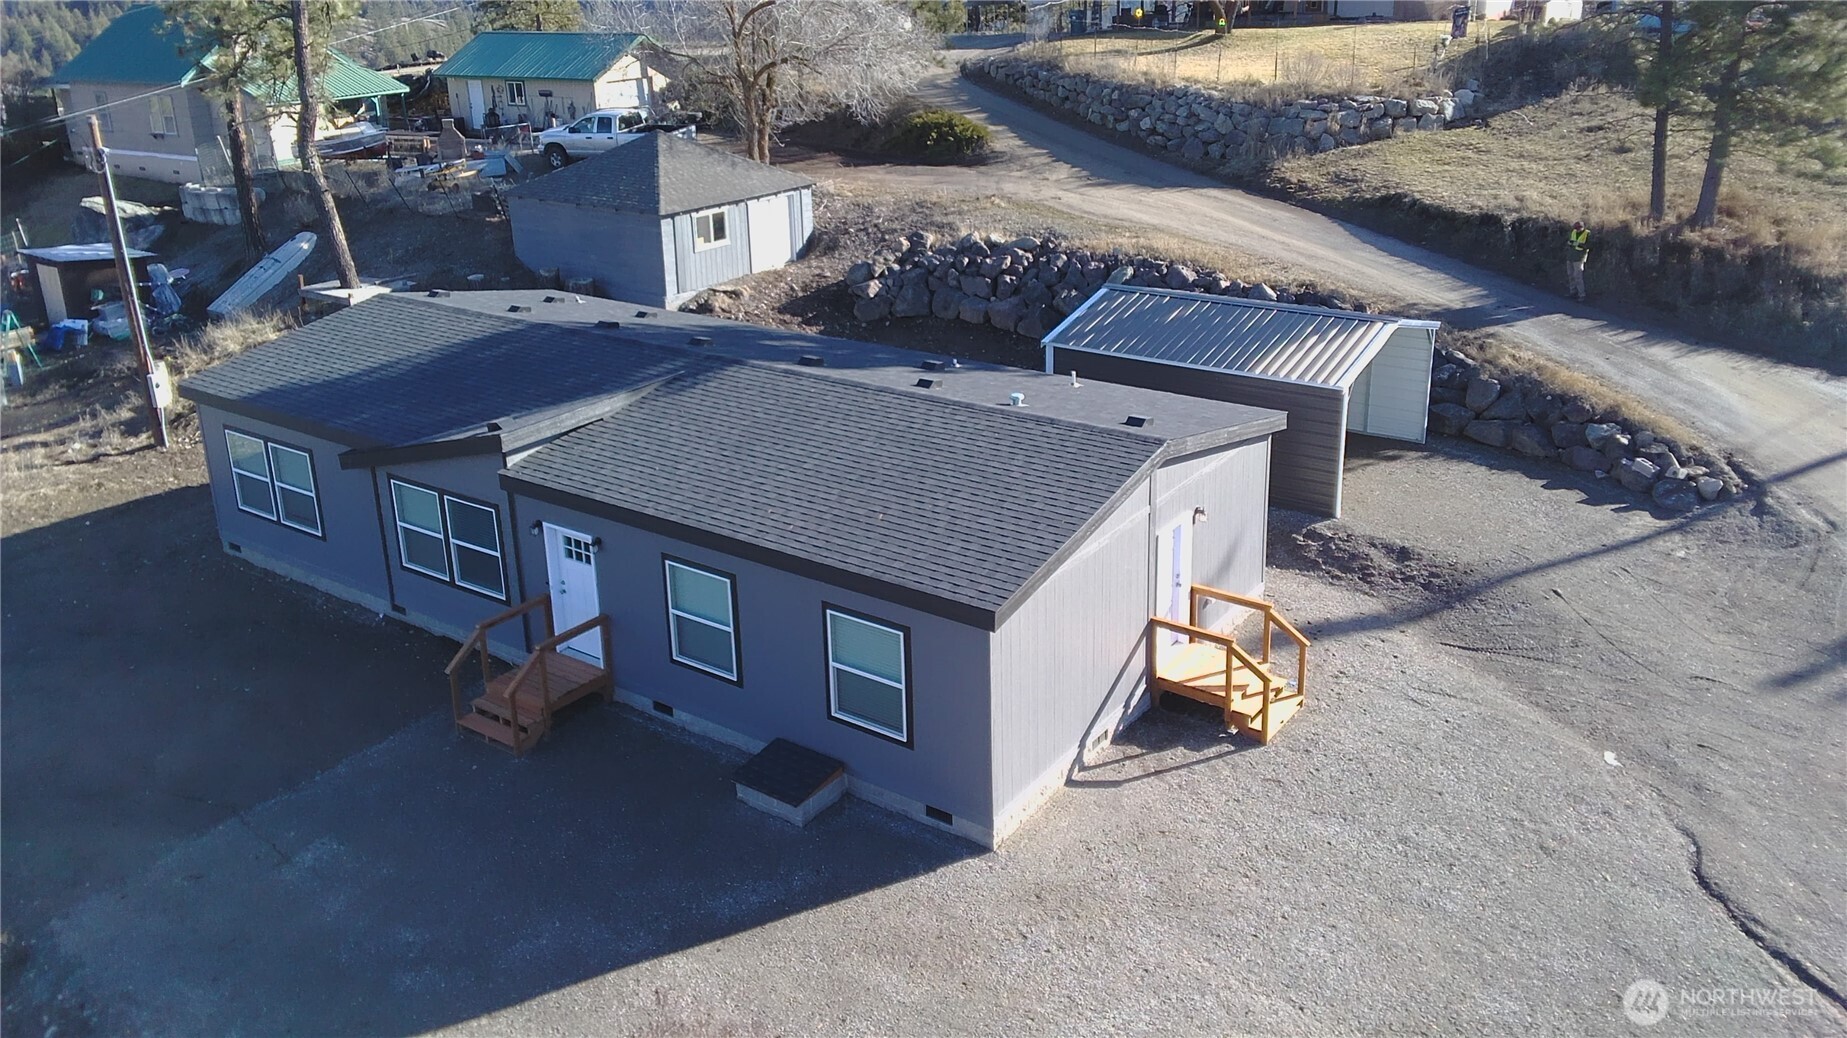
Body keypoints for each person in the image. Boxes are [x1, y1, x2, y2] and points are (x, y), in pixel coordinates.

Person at [1566, 220, 1591, 301]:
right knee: (1570, 275)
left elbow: (1589, 246)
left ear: (1582, 227)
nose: (1576, 230)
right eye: (1575, 228)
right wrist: (1570, 243)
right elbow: (1569, 241)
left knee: (1578, 277)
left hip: (1579, 258)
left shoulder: (1587, 233)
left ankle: (1581, 295)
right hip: (1570, 257)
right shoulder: (1573, 232)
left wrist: (1579, 244)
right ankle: (1572, 292)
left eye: (1578, 229)